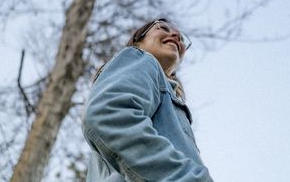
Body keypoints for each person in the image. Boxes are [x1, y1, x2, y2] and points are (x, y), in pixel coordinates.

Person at [82, 18, 213, 181]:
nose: (175, 35)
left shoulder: (166, 95)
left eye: (181, 38)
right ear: (137, 41)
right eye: (162, 28)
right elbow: (107, 115)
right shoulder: (141, 59)